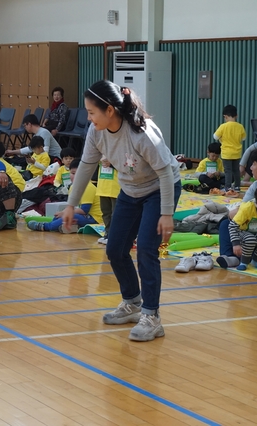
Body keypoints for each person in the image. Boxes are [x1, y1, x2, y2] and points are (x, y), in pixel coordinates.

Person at [61, 80, 182, 342]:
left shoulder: (141, 133)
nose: (89, 118)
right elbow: (85, 167)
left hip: (160, 189)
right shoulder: (96, 133)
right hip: (130, 190)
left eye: (92, 112)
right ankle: (132, 302)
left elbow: (164, 173)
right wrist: (71, 204)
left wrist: (166, 213)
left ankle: (152, 317)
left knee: (147, 251)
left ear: (110, 111)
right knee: (115, 249)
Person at [28, 158, 102, 233]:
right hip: (84, 216)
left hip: (94, 219)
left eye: (78, 174)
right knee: (60, 216)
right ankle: (66, 226)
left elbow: (84, 210)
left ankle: (45, 227)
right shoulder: (73, 187)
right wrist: (63, 213)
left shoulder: (88, 187)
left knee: (71, 216)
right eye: (72, 173)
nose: (75, 176)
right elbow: (72, 206)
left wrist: (64, 213)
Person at [213, 104, 245, 195]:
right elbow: (243, 138)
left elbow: (215, 136)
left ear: (225, 116)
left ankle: (228, 187)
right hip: (237, 153)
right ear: (236, 115)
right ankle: (237, 186)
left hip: (226, 153)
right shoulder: (240, 126)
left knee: (228, 171)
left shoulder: (223, 126)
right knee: (236, 170)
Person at [96, 155, 120, 245]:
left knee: (115, 214)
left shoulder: (118, 149)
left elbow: (125, 166)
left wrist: (112, 163)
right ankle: (108, 233)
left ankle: (114, 235)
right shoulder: (99, 149)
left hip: (115, 187)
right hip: (103, 187)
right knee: (105, 212)